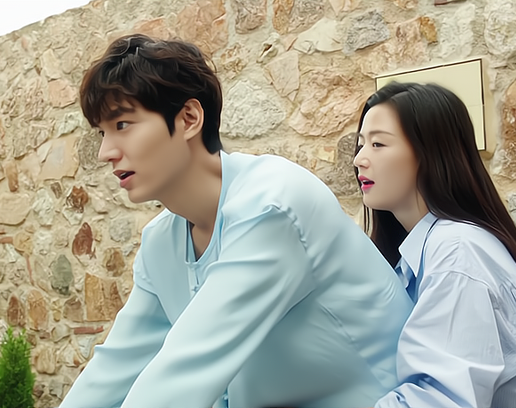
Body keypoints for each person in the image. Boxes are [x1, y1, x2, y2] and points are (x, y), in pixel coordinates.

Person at [57, 34, 413, 408]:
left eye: (123, 124)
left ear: (189, 119)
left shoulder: (272, 205)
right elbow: (115, 369)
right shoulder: (161, 242)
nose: (105, 152)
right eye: (102, 132)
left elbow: (182, 374)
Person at [353, 81, 516, 408]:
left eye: (378, 144)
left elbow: (439, 399)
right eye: (361, 144)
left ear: (429, 153)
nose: (360, 159)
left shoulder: (457, 253)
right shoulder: (425, 253)